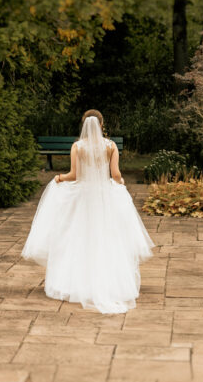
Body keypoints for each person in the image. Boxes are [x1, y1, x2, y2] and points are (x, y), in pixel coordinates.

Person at [22, 110, 154, 313]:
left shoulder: (78, 147)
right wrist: (120, 182)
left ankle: (75, 284)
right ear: (101, 124)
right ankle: (111, 283)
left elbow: (74, 175)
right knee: (107, 237)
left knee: (79, 237)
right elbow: (116, 174)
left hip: (84, 198)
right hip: (104, 197)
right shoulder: (110, 146)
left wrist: (59, 178)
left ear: (83, 124)